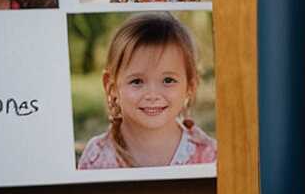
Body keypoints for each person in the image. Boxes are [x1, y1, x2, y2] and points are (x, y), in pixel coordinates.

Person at [76, 13, 216, 169]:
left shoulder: (209, 157)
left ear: (190, 86)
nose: (152, 95)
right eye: (137, 81)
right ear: (112, 86)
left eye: (168, 80)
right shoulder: (96, 159)